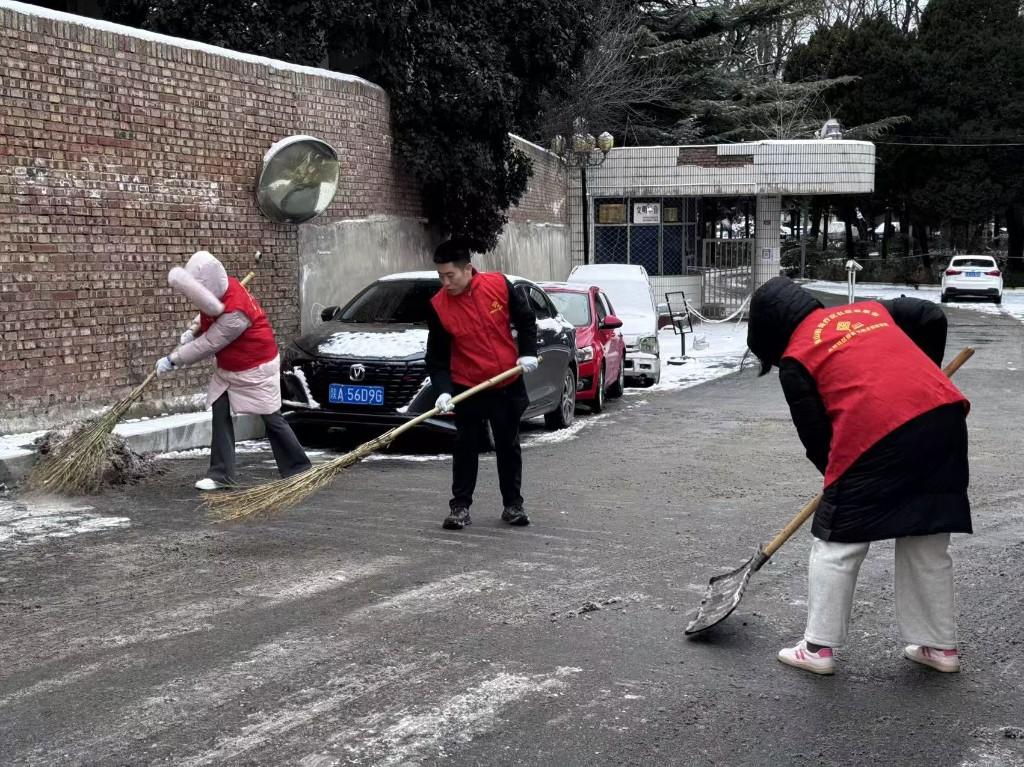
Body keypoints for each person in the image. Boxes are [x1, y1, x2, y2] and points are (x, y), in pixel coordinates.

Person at [746, 276, 971, 675]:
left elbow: (818, 438)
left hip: (878, 433)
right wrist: (923, 371)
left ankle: (817, 649)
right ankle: (940, 648)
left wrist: (836, 483)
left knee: (837, 540)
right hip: (943, 417)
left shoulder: (798, 356)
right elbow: (929, 314)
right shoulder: (869, 310)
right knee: (927, 535)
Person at [156, 250, 311, 490]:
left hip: (255, 367)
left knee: (271, 417)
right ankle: (220, 474)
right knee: (220, 409)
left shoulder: (236, 314)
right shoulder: (225, 288)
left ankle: (298, 469)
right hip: (230, 367)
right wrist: (193, 329)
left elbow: (210, 343)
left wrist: (173, 359)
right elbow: (207, 310)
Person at [425, 238, 539, 530]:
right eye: (440, 276)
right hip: (468, 385)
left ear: (468, 269)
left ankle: (513, 505)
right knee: (466, 445)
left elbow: (526, 320)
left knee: (507, 444)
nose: (445, 282)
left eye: (450, 275)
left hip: (506, 382)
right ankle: (460, 507)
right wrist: (443, 391)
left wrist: (527, 352)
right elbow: (436, 358)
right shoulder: (439, 307)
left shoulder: (498, 285)